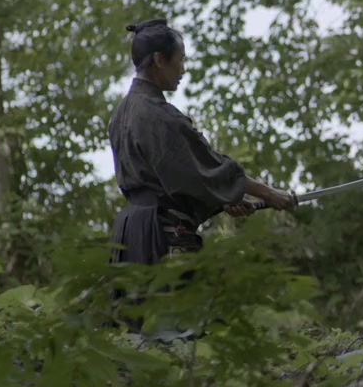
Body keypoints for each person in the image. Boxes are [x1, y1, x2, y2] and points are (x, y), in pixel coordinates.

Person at [108, 19, 297, 265]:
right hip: (161, 234)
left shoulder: (120, 114)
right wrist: (269, 193)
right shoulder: (159, 115)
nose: (183, 69)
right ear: (159, 60)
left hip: (130, 233)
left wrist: (224, 200)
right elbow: (209, 169)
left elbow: (175, 179)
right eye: (181, 59)